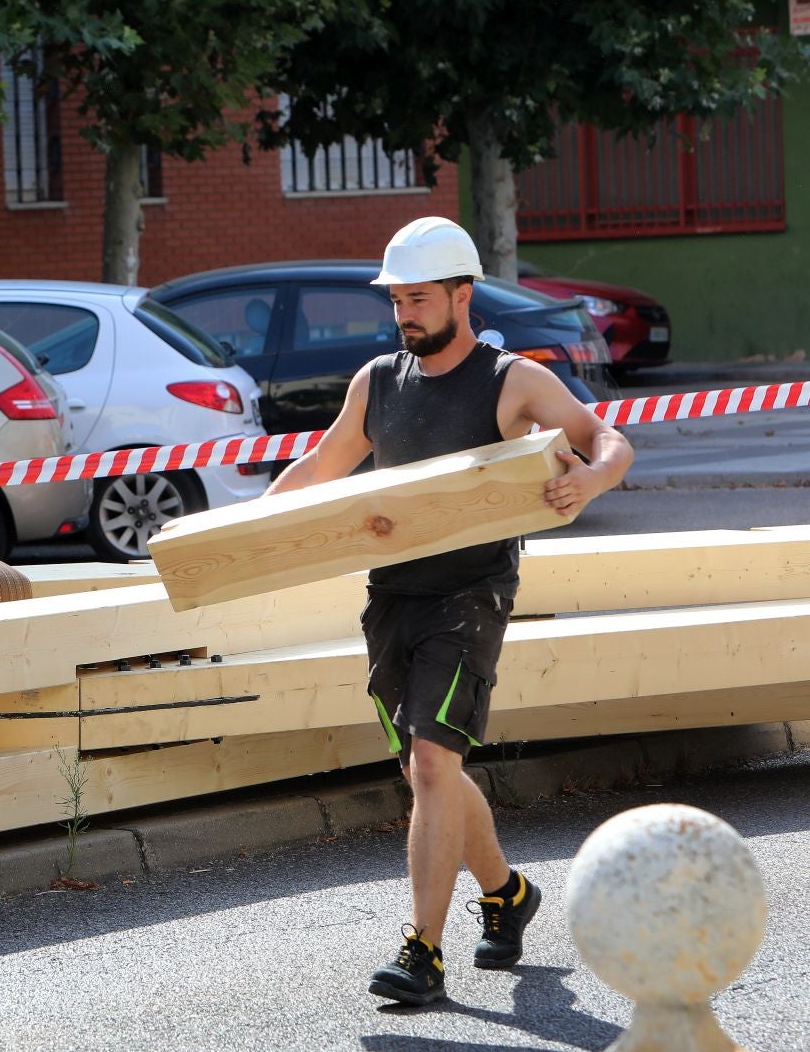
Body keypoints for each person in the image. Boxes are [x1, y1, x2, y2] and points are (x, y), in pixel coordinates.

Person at [265, 216, 633, 1006]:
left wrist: (592, 483)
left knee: (432, 763)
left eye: (419, 299)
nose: (405, 314)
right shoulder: (377, 381)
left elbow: (605, 437)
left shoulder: (512, 381)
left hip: (471, 595)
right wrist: (246, 528)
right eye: (397, 300)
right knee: (428, 768)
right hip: (392, 594)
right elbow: (324, 463)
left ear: (462, 295)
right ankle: (506, 894)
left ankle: (422, 951)